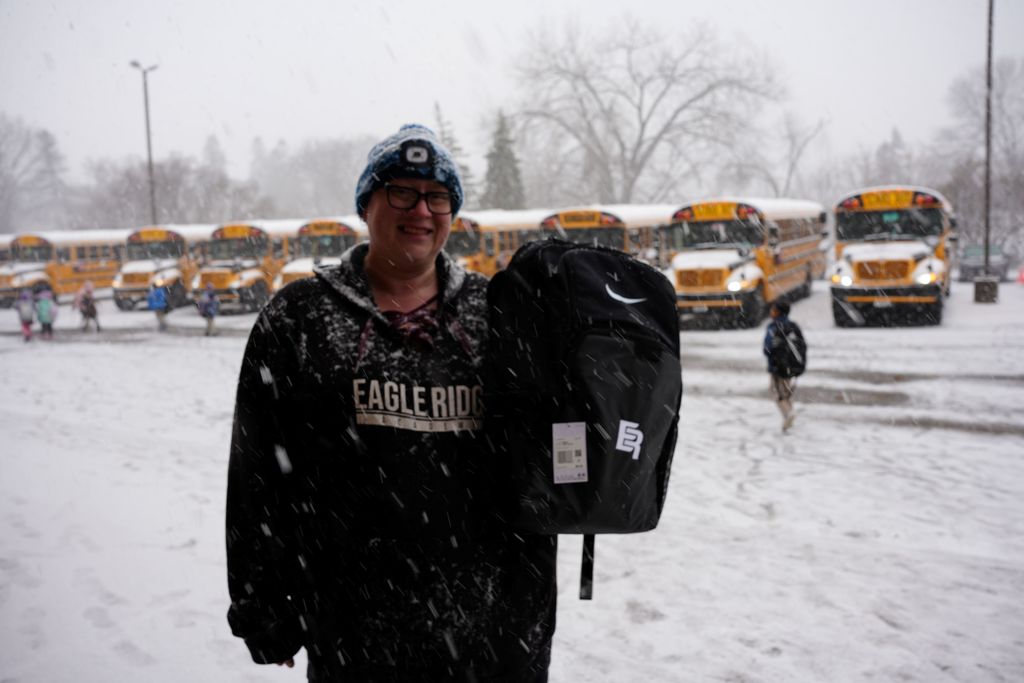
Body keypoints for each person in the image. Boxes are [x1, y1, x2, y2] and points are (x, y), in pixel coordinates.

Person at [226, 124, 557, 682]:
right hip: (355, 632)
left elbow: (539, 465)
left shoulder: (497, 313)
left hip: (490, 634)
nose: (421, 210)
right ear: (366, 203)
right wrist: (263, 605)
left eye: (438, 196)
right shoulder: (301, 318)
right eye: (401, 191)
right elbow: (257, 472)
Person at [763, 301, 804, 432]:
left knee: (776, 393)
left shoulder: (773, 327)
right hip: (791, 366)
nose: (771, 312)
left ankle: (788, 414)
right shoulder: (793, 326)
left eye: (773, 310)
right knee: (786, 391)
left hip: (777, 366)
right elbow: (802, 346)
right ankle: (789, 413)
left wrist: (771, 356)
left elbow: (767, 348)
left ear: (777, 312)